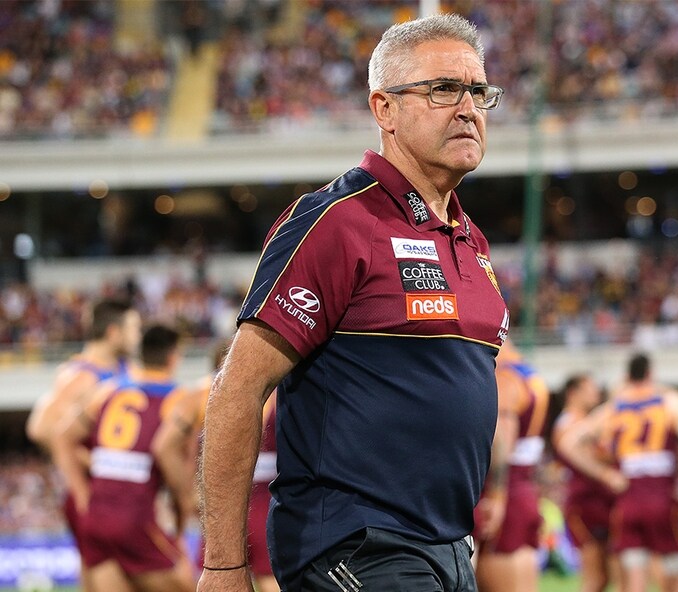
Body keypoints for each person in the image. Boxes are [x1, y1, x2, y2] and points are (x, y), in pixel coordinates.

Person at [197, 13, 509, 592]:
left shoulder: (472, 240)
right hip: (356, 543)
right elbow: (238, 389)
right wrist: (223, 565)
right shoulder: (337, 221)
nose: (468, 108)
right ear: (384, 108)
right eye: (444, 89)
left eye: (478, 91)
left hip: (447, 547)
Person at [49, 324, 194, 592]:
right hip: (136, 517)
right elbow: (169, 456)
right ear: (173, 357)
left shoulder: (108, 390)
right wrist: (184, 504)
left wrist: (82, 494)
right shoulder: (178, 400)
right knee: (188, 585)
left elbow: (62, 436)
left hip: (96, 515)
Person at [558, 354, 678, 592]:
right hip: (663, 500)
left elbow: (569, 443)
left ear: (627, 377)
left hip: (628, 503)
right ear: (650, 374)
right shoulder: (668, 403)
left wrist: (605, 474)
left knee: (633, 581)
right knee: (677, 580)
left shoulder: (615, 408)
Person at [26, 298, 141, 590]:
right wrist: (90, 463)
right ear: (114, 332)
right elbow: (40, 429)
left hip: (117, 494)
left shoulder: (122, 368)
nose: (138, 336)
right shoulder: (81, 375)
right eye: (133, 329)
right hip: (93, 492)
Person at [153, 340, 282, 592]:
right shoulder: (276, 393)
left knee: (216, 579)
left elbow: (165, 447)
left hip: (221, 508)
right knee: (271, 582)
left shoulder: (199, 396)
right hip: (264, 503)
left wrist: (188, 494)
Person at [474, 342, 550, 592]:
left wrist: (497, 495)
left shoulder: (504, 373)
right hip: (523, 487)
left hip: (503, 489)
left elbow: (502, 439)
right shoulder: (527, 373)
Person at [551, 373, 615, 592]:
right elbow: (587, 454)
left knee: (604, 578)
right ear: (574, 393)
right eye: (590, 388)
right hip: (583, 504)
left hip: (600, 501)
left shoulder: (586, 422)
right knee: (593, 577)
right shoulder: (568, 423)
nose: (596, 393)